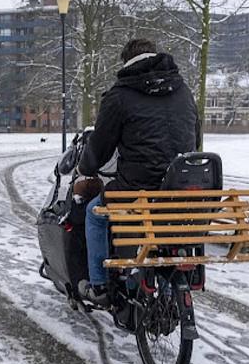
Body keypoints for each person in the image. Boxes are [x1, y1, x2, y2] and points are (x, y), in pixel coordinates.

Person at [77, 38, 199, 307]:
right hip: (179, 190)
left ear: (126, 61)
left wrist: (86, 169)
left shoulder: (120, 95)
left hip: (136, 189)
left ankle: (99, 285)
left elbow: (101, 146)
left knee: (94, 214)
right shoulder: (184, 91)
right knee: (164, 227)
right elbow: (195, 139)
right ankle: (167, 294)